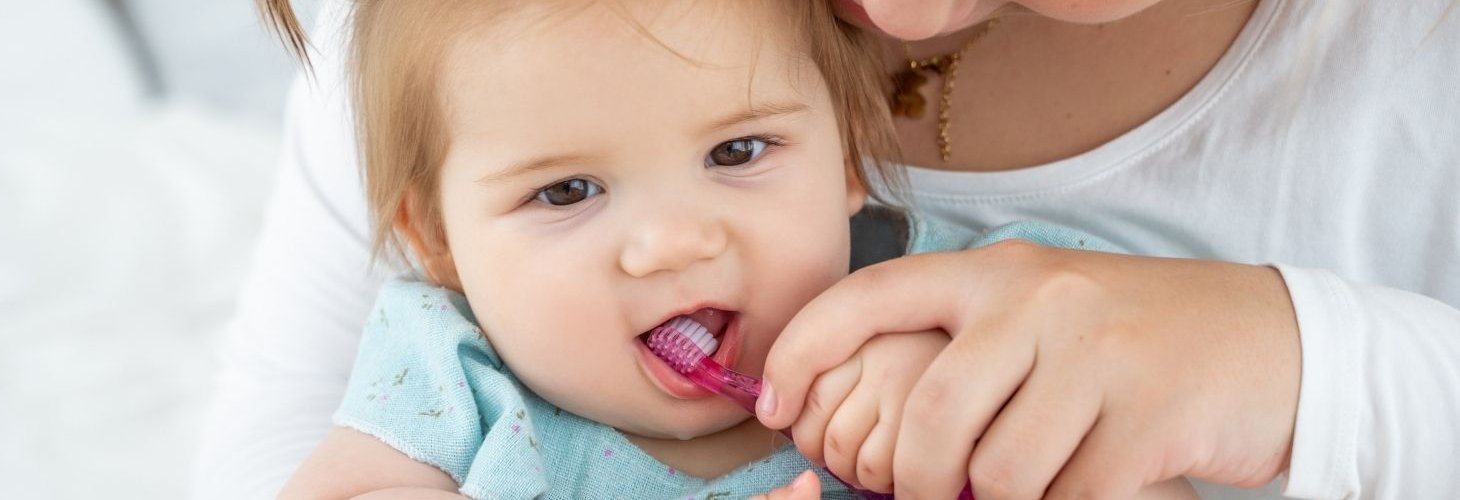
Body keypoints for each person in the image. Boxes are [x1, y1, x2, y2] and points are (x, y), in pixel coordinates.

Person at [192, 0, 1460, 498]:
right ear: (431, 241)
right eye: (567, 191)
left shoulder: (964, 319)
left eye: (742, 154)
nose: (674, 241)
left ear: (850, 158)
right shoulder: (447, 360)